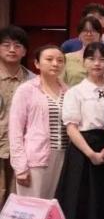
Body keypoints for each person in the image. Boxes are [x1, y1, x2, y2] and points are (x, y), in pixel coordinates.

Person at [56, 42, 104, 219]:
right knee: (78, 198)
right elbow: (71, 127)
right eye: (91, 59)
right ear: (84, 62)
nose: (97, 64)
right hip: (82, 148)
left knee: (103, 198)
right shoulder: (75, 92)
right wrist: (91, 154)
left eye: (102, 59)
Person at [9, 45, 68, 199]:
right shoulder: (26, 90)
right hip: (36, 158)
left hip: (63, 156)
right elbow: (15, 130)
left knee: (54, 206)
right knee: (32, 207)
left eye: (60, 60)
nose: (55, 63)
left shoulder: (68, 91)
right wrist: (20, 167)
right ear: (37, 63)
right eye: (49, 59)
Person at [0, 26, 33, 205]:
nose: (12, 50)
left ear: (25, 51)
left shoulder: (33, 81)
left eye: (17, 46)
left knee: (17, 201)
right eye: (6, 45)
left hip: (22, 151)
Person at [63, 16, 103, 86]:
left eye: (93, 30)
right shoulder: (67, 58)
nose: (89, 34)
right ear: (79, 35)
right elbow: (60, 82)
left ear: (100, 35)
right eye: (85, 30)